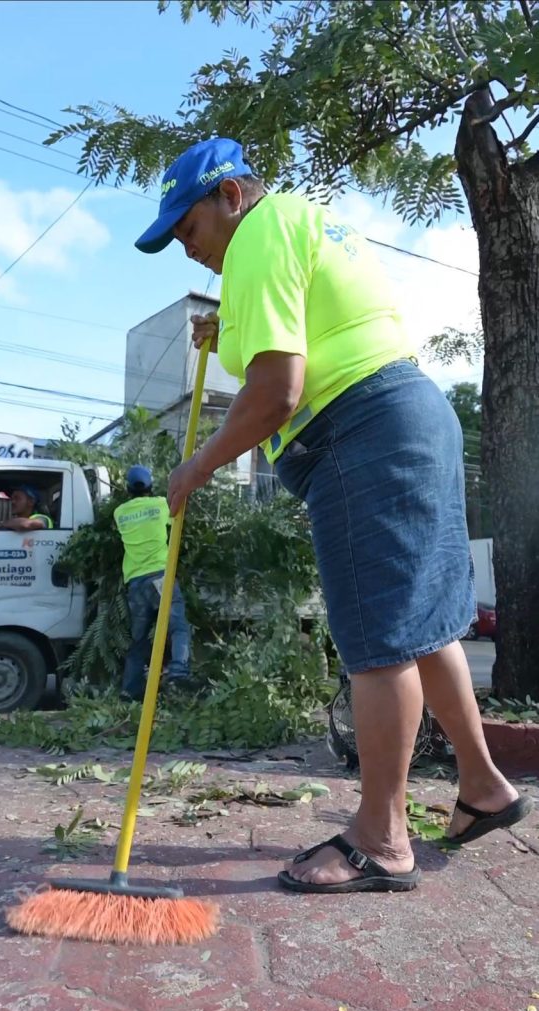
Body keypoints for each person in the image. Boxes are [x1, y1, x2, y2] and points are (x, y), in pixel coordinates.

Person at [134, 137, 531, 894]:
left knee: (377, 642)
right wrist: (230, 327)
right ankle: (484, 788)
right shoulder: (298, 222)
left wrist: (197, 465)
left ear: (227, 197)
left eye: (185, 230)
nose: (185, 250)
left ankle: (380, 841)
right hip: (413, 413)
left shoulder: (256, 233)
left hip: (362, 431)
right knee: (422, 627)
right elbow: (311, 332)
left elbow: (277, 393)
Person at [114, 464, 191, 702]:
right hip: (160, 576)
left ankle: (130, 689)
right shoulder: (159, 505)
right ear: (150, 486)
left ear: (128, 489)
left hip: (135, 582)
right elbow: (175, 519)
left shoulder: (119, 513)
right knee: (178, 626)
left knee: (138, 640)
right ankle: (178, 672)